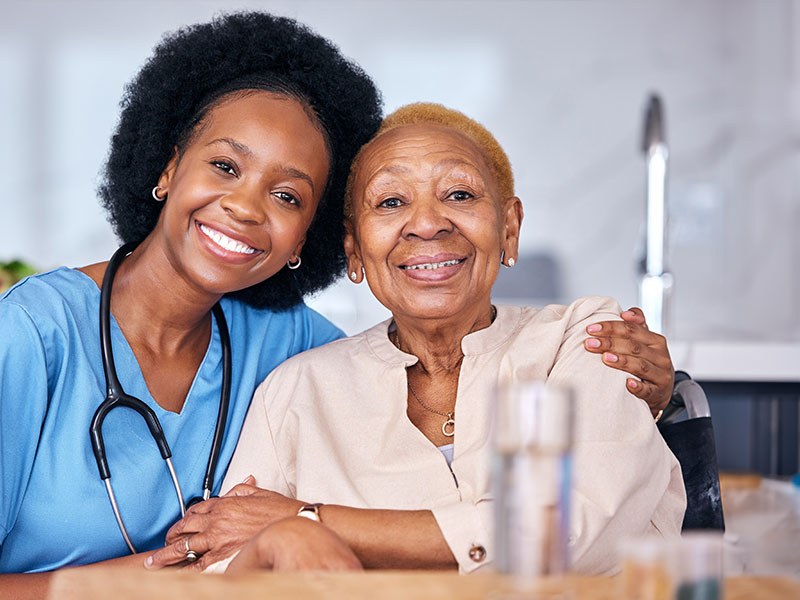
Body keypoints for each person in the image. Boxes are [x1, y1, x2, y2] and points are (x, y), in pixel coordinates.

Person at [147, 103, 685, 575]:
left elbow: (570, 538)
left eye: (459, 193)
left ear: (509, 228)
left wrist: (307, 520)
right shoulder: (297, 388)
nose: (427, 224)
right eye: (389, 202)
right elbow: (223, 565)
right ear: (355, 252)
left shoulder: (585, 339)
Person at [0, 11, 382, 595]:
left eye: (286, 195)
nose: (247, 207)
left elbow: (430, 379)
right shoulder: (32, 334)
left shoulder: (287, 341)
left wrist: (570, 347)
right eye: (225, 166)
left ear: (307, 235)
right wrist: (181, 572)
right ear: (170, 166)